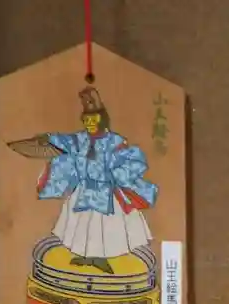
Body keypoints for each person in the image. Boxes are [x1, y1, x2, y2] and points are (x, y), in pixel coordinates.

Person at [22, 86, 158, 275]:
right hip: (84, 189)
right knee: (83, 224)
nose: (90, 124)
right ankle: (87, 255)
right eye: (86, 120)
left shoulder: (115, 141)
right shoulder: (80, 139)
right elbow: (64, 141)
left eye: (94, 120)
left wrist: (116, 172)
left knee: (105, 226)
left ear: (102, 120)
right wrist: (49, 138)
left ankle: (101, 258)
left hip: (106, 192)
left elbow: (133, 159)